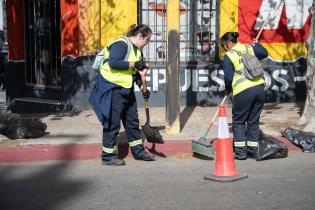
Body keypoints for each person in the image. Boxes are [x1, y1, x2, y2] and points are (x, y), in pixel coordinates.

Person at [89, 24, 155, 166]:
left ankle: (138, 152)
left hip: (126, 89)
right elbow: (114, 63)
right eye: (147, 40)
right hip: (112, 88)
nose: (147, 43)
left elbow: (137, 72)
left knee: (132, 122)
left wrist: (142, 85)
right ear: (140, 36)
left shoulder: (137, 51)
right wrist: (134, 64)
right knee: (112, 124)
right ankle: (108, 157)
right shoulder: (121, 44)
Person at [220, 32, 268, 160]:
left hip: (243, 91)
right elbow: (264, 53)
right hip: (259, 89)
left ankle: (241, 152)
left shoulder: (229, 55)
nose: (224, 48)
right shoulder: (249, 48)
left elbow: (229, 77)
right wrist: (257, 45)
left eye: (224, 46)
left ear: (229, 43)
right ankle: (253, 150)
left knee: (239, 121)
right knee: (253, 121)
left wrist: (228, 89)